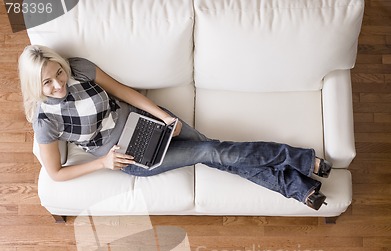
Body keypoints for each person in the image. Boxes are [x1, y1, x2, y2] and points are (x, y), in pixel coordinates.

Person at [18, 45, 332, 210]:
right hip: (127, 154)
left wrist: (165, 117)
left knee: (216, 153)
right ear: (35, 84)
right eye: (47, 82)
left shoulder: (79, 69)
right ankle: (299, 160)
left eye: (58, 72)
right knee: (210, 151)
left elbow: (125, 92)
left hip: (149, 122)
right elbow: (56, 174)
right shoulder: (46, 121)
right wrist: (103, 163)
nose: (59, 83)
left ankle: (300, 189)